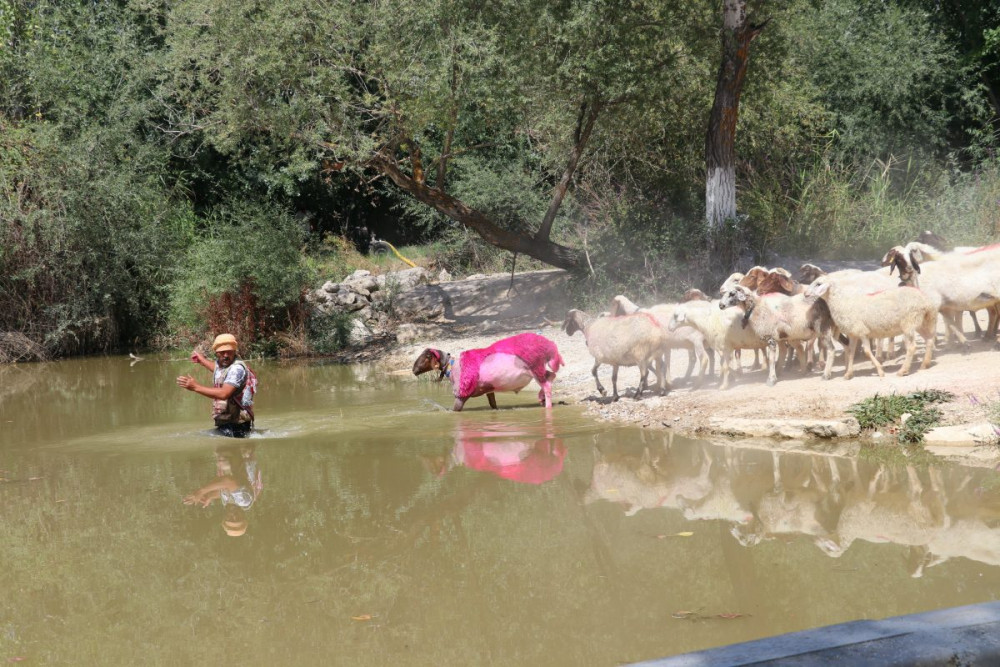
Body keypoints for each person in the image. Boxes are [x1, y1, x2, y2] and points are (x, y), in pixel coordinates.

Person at [177, 333, 256, 437]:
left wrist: (195, 387)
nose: (226, 355)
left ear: (235, 351)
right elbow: (218, 370)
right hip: (229, 421)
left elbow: (224, 394)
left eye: (229, 352)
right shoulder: (224, 364)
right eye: (222, 352)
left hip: (237, 424)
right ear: (216, 353)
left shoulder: (236, 369)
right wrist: (202, 360)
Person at [184, 443, 263, 537]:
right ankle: (234, 449)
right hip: (241, 456)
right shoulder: (244, 501)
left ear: (224, 518)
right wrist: (201, 491)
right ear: (243, 516)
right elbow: (228, 482)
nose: (233, 516)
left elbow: (225, 490)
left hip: (236, 456)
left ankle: (228, 449)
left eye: (230, 519)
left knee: (220, 453)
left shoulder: (228, 503)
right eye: (237, 519)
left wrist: (210, 496)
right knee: (223, 461)